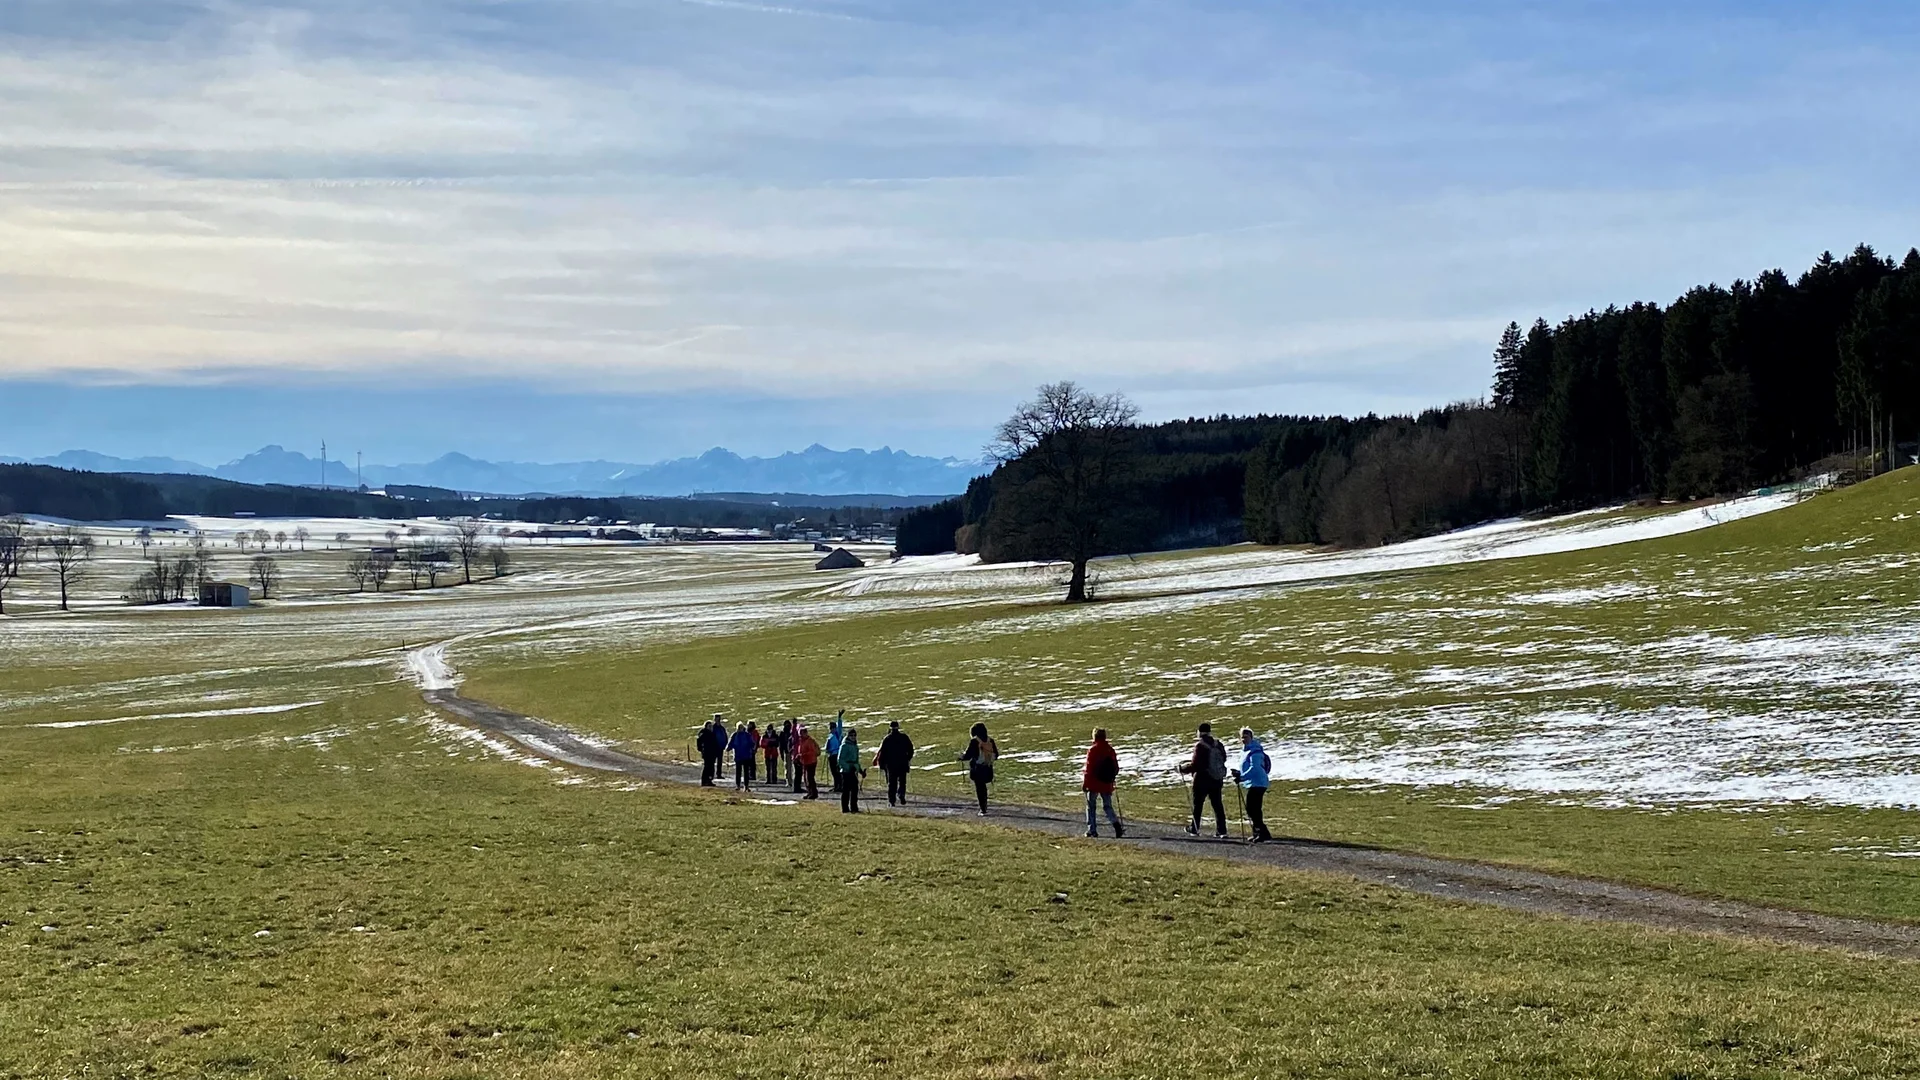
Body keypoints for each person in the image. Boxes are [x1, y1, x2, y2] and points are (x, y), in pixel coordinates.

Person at [1176, 722, 1228, 838]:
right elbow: (1223, 758)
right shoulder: (1218, 744)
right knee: (1217, 805)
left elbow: (1196, 765)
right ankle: (1222, 830)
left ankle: (1194, 828)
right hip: (1216, 779)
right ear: (1210, 731)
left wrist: (1183, 769)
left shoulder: (1200, 746)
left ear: (1199, 732)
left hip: (1201, 780)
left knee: (1198, 805)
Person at [1232, 726, 1274, 843]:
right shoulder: (1245, 751)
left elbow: (1254, 768)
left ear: (1251, 737)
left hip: (1258, 782)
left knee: (1253, 808)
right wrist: (1239, 774)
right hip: (1253, 782)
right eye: (1242, 737)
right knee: (1253, 808)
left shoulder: (1254, 751)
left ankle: (1262, 832)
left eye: (1246, 737)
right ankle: (1259, 832)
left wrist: (1242, 777)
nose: (1244, 739)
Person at [1082, 728, 1124, 838]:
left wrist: (1085, 783)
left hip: (1093, 783)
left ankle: (1092, 830)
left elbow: (1089, 768)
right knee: (1107, 806)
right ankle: (1116, 825)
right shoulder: (1110, 750)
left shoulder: (1093, 750)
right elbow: (1116, 767)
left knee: (1091, 806)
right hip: (1106, 782)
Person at [959, 722, 999, 816]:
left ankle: (983, 809)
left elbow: (968, 756)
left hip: (977, 769)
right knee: (984, 788)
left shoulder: (974, 741)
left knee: (980, 789)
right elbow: (996, 755)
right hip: (988, 768)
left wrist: (961, 757)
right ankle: (984, 807)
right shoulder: (990, 740)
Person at [876, 720, 915, 806]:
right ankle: (901, 795)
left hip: (891, 765)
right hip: (902, 763)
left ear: (890, 728)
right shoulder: (904, 737)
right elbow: (911, 749)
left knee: (892, 783)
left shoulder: (887, 739)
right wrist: (908, 759)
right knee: (902, 781)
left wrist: (882, 764)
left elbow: (883, 752)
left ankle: (892, 801)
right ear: (898, 727)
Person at [837, 726, 866, 813]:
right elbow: (840, 760)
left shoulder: (855, 746)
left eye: (854, 735)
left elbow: (856, 760)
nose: (853, 737)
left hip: (853, 770)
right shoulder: (844, 746)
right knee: (846, 790)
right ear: (848, 736)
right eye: (851, 735)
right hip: (846, 772)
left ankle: (854, 807)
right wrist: (848, 767)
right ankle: (845, 808)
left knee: (855, 790)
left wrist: (860, 771)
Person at [794, 724, 821, 799]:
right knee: (806, 778)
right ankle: (809, 792)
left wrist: (802, 755)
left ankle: (813, 793)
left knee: (810, 778)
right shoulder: (802, 741)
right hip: (805, 762)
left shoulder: (809, 741)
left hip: (811, 761)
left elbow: (811, 752)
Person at [730, 721, 760, 790]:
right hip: (741, 756)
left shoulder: (743, 735)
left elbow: (751, 743)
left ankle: (744, 786)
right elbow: (731, 743)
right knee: (740, 771)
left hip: (744, 756)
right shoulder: (738, 735)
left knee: (744, 771)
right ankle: (740, 785)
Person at [825, 711, 846, 793]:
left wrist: (839, 718)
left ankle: (838, 786)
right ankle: (837, 786)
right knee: (835, 772)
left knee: (835, 772)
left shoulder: (836, 735)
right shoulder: (836, 734)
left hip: (834, 755)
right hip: (835, 755)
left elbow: (840, 726)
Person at [696, 719, 719, 786]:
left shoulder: (712, 734)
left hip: (712, 753)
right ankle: (704, 781)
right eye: (709, 726)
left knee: (711, 767)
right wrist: (701, 749)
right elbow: (699, 742)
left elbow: (715, 743)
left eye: (711, 726)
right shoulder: (704, 733)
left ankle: (709, 780)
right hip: (707, 753)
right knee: (707, 767)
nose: (710, 727)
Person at [762, 721, 782, 786]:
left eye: (770, 729)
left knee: (774, 767)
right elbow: (761, 744)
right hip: (767, 753)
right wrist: (768, 744)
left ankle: (774, 780)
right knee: (767, 767)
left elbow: (778, 743)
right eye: (768, 729)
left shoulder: (775, 735)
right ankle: (768, 779)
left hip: (774, 753)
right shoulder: (764, 736)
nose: (769, 731)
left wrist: (773, 744)